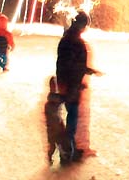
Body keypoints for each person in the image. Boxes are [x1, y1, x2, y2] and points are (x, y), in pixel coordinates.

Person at [55, 10, 101, 163]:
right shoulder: (77, 43)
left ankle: (69, 149)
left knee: (71, 117)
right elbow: (76, 66)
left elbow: (63, 63)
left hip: (65, 83)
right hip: (72, 86)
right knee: (72, 119)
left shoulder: (65, 39)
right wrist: (83, 77)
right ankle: (69, 152)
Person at [43, 76, 68, 165]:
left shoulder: (55, 98)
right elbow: (53, 117)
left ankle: (59, 157)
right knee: (54, 145)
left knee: (56, 145)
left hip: (54, 127)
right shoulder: (52, 101)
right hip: (53, 128)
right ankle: (54, 158)